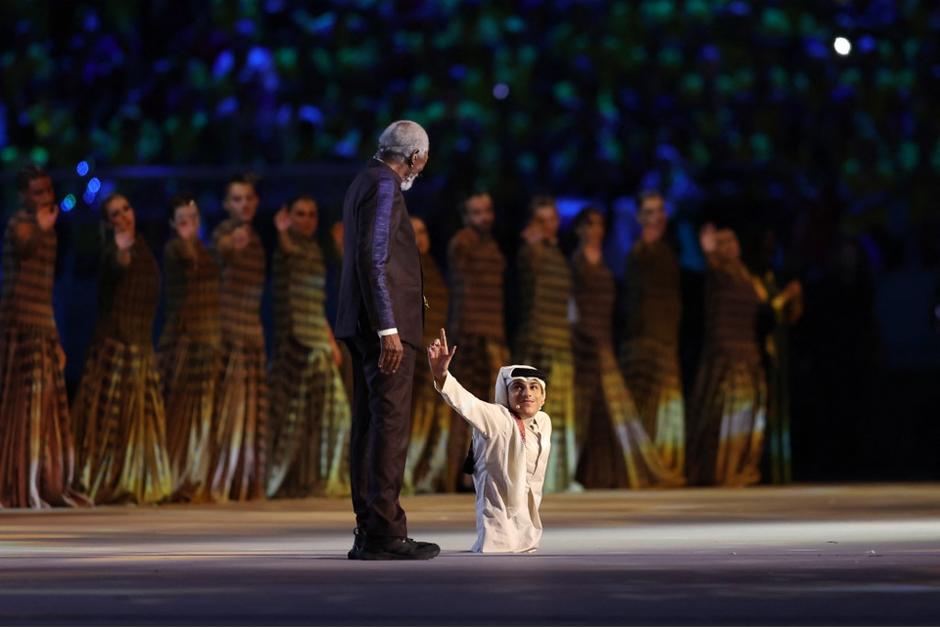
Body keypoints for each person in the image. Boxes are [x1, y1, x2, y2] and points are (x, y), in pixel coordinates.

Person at [335, 120, 439, 560]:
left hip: (364, 325)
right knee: (389, 427)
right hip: (382, 330)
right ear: (414, 157)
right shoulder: (384, 186)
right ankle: (384, 532)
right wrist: (389, 328)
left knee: (372, 425)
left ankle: (369, 529)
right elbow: (373, 258)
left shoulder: (365, 179)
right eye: (424, 160)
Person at [571, 207, 683, 489]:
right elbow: (570, 305)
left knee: (609, 412)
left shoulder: (608, 262)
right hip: (583, 344)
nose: (595, 230)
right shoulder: (576, 262)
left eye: (599, 225)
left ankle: (606, 473)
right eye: (589, 225)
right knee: (585, 410)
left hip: (605, 341)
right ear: (579, 230)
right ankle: (579, 472)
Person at [72, 193, 173, 504]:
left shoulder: (144, 249)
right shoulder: (112, 250)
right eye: (116, 213)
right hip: (114, 349)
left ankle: (140, 481)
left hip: (141, 347)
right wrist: (120, 253)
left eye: (127, 208)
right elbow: (116, 265)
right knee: (109, 424)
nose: (124, 216)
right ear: (108, 222)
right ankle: (107, 481)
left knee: (141, 422)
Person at [0, 166, 89, 509]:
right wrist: (41, 227)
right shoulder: (21, 225)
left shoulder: (48, 232)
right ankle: (19, 482)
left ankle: (40, 481)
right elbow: (24, 246)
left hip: (42, 326)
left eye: (48, 191)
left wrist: (55, 338)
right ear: (24, 196)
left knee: (45, 409)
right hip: (17, 328)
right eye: (38, 193)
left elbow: (47, 290)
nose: (46, 198)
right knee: (21, 409)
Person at [688, 224, 800, 486]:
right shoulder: (718, 272)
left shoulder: (749, 278)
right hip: (726, 354)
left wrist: (787, 297)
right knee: (725, 417)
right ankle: (722, 472)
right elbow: (711, 265)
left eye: (732, 240)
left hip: (749, 353)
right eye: (722, 242)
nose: (729, 246)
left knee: (749, 418)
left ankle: (741, 470)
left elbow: (769, 310)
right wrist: (709, 251)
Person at [428, 329, 551, 553]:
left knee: (525, 539)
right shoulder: (496, 417)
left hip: (527, 516)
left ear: (543, 397)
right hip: (497, 510)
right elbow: (467, 403)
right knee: (499, 545)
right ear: (505, 393)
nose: (527, 393)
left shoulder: (543, 422)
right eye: (518, 387)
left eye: (534, 387)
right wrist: (442, 376)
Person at [267, 196, 351, 498]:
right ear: (288, 217)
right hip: (295, 346)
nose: (306, 220)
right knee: (290, 419)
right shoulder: (286, 249)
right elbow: (287, 253)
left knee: (332, 415)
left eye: (311, 214)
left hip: (317, 340)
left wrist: (329, 339)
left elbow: (318, 302)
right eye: (299, 214)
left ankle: (317, 479)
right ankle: (282, 480)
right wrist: (281, 232)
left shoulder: (315, 250)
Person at [207, 175, 268, 502]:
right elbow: (219, 252)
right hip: (229, 334)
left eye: (248, 198)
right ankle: (222, 481)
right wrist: (232, 245)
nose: (243, 204)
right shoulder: (225, 234)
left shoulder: (255, 238)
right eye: (237, 199)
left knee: (248, 414)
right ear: (226, 205)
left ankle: (242, 482)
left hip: (252, 334)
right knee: (229, 411)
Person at [157, 194, 221, 502]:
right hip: (183, 342)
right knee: (180, 414)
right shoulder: (175, 250)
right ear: (172, 224)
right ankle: (175, 477)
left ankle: (195, 477)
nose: (190, 226)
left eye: (194, 219)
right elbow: (185, 264)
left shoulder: (204, 252)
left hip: (207, 342)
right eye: (183, 220)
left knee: (201, 416)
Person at [445, 191, 509, 492]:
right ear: (465, 216)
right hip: (472, 337)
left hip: (492, 335)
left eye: (487, 210)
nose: (484, 217)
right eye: (476, 212)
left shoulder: (491, 245)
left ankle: (481, 470)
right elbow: (463, 291)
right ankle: (464, 472)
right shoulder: (463, 243)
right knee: (470, 410)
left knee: (491, 411)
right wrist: (466, 335)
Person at [619, 190, 686, 478]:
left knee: (664, 406)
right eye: (648, 213)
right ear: (639, 217)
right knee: (645, 404)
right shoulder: (638, 252)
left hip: (665, 339)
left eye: (659, 212)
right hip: (643, 341)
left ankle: (663, 464)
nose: (654, 218)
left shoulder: (669, 250)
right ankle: (648, 468)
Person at [514, 196, 577, 492]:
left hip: (560, 342)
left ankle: (558, 477)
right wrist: (531, 247)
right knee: (533, 413)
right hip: (538, 342)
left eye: (551, 219)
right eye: (541, 220)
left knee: (560, 413)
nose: (547, 226)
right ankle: (533, 476)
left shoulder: (557, 254)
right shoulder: (531, 253)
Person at [403, 216, 450, 494]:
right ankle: (405, 476)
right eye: (412, 231)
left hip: (432, 352)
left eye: (423, 230)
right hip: (414, 350)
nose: (419, 236)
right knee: (412, 417)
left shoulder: (431, 267)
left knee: (431, 417)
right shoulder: (403, 267)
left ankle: (424, 477)